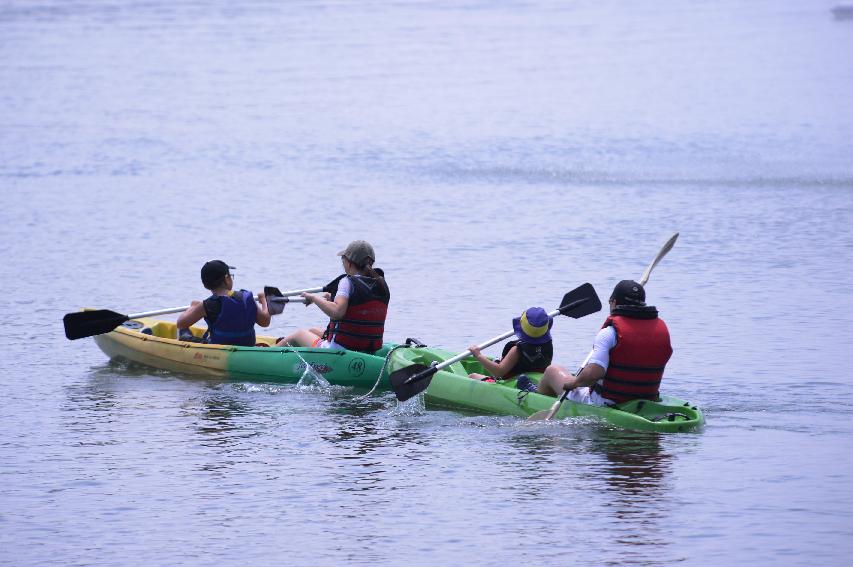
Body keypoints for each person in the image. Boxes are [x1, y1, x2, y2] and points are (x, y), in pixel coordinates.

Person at [537, 280, 672, 405]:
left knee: (552, 371)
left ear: (613, 302)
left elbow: (592, 375)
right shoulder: (661, 330)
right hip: (647, 400)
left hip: (606, 402)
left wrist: (574, 383)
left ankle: (535, 400)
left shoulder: (610, 333)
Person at [276, 240, 389, 352]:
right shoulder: (381, 285)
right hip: (367, 348)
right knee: (313, 331)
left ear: (349, 262)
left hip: (339, 350)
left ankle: (266, 354)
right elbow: (360, 309)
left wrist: (314, 298)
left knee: (299, 334)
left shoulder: (347, 282)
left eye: (343, 259)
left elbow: (337, 312)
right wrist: (331, 300)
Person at [176, 260, 271, 347]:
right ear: (226, 279)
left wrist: (192, 307)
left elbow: (181, 324)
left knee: (184, 334)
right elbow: (265, 321)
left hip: (219, 349)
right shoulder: (246, 298)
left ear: (205, 285)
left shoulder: (206, 305)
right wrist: (264, 300)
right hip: (247, 346)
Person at [468, 307, 554, 386]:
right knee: (497, 361)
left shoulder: (517, 350)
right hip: (536, 382)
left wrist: (478, 355)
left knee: (473, 376)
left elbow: (499, 372)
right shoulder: (548, 346)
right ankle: (498, 361)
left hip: (511, 385)